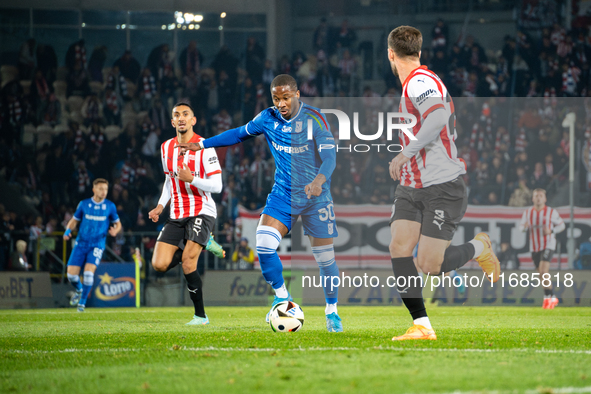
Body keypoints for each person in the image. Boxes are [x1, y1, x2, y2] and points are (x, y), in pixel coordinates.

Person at [177, 74, 344, 333]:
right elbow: (238, 134)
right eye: (276, 98)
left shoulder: (315, 119)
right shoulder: (267, 118)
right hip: (284, 194)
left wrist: (320, 180)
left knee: (325, 259)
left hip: (315, 197)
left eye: (286, 97)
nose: (281, 103)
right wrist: (203, 144)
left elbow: (330, 158)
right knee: (264, 244)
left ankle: (332, 312)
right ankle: (281, 296)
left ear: (297, 94)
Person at [386, 26, 500, 341]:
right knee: (398, 246)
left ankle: (480, 247)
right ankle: (422, 325)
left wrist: (404, 154)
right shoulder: (417, 82)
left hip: (442, 186)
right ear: (419, 52)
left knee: (428, 264)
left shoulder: (420, 82)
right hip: (412, 186)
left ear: (390, 55)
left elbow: (436, 118)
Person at [148, 102, 225, 326]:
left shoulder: (205, 147)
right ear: (172, 122)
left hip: (202, 210)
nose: (181, 118)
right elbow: (168, 180)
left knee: (189, 263)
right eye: (176, 115)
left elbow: (217, 186)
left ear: (193, 120)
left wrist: (192, 179)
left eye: (185, 114)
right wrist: (160, 206)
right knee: (159, 265)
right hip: (176, 213)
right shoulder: (165, 148)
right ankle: (202, 241)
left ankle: (200, 316)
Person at [63, 178, 122, 312]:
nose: (104, 192)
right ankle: (79, 290)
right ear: (94, 189)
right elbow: (74, 221)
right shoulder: (83, 204)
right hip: (81, 243)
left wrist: (115, 230)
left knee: (89, 273)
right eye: (101, 189)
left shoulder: (110, 206)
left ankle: (82, 304)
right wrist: (67, 231)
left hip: (97, 244)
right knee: (71, 276)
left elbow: (118, 223)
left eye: (106, 189)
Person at [519, 189, 565, 309]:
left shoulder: (551, 212)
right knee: (541, 274)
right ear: (533, 199)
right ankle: (552, 296)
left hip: (548, 244)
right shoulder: (528, 212)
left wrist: (551, 231)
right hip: (534, 247)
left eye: (541, 196)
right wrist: (524, 227)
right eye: (536, 196)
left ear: (545, 199)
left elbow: (562, 225)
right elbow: (520, 227)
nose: (538, 198)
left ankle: (547, 299)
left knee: (544, 271)